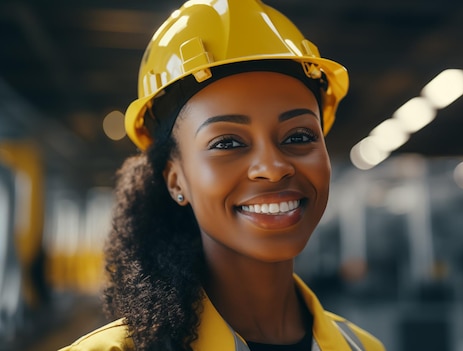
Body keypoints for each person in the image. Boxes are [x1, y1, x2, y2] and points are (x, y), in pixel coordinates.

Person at [60, 0, 385, 350]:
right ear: (175, 179)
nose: (274, 168)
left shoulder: (363, 347)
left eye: (299, 137)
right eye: (228, 142)